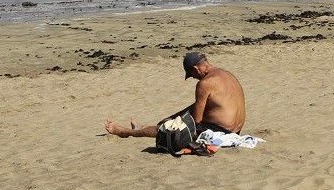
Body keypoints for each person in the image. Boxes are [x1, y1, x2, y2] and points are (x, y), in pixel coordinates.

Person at [104, 51, 246, 138]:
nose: (194, 78)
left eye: (191, 75)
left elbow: (196, 120)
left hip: (220, 131)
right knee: (171, 120)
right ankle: (142, 127)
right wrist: (171, 116)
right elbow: (204, 106)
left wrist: (171, 121)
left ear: (195, 69)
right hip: (236, 130)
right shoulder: (227, 75)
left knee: (169, 129)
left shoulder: (205, 83)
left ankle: (126, 132)